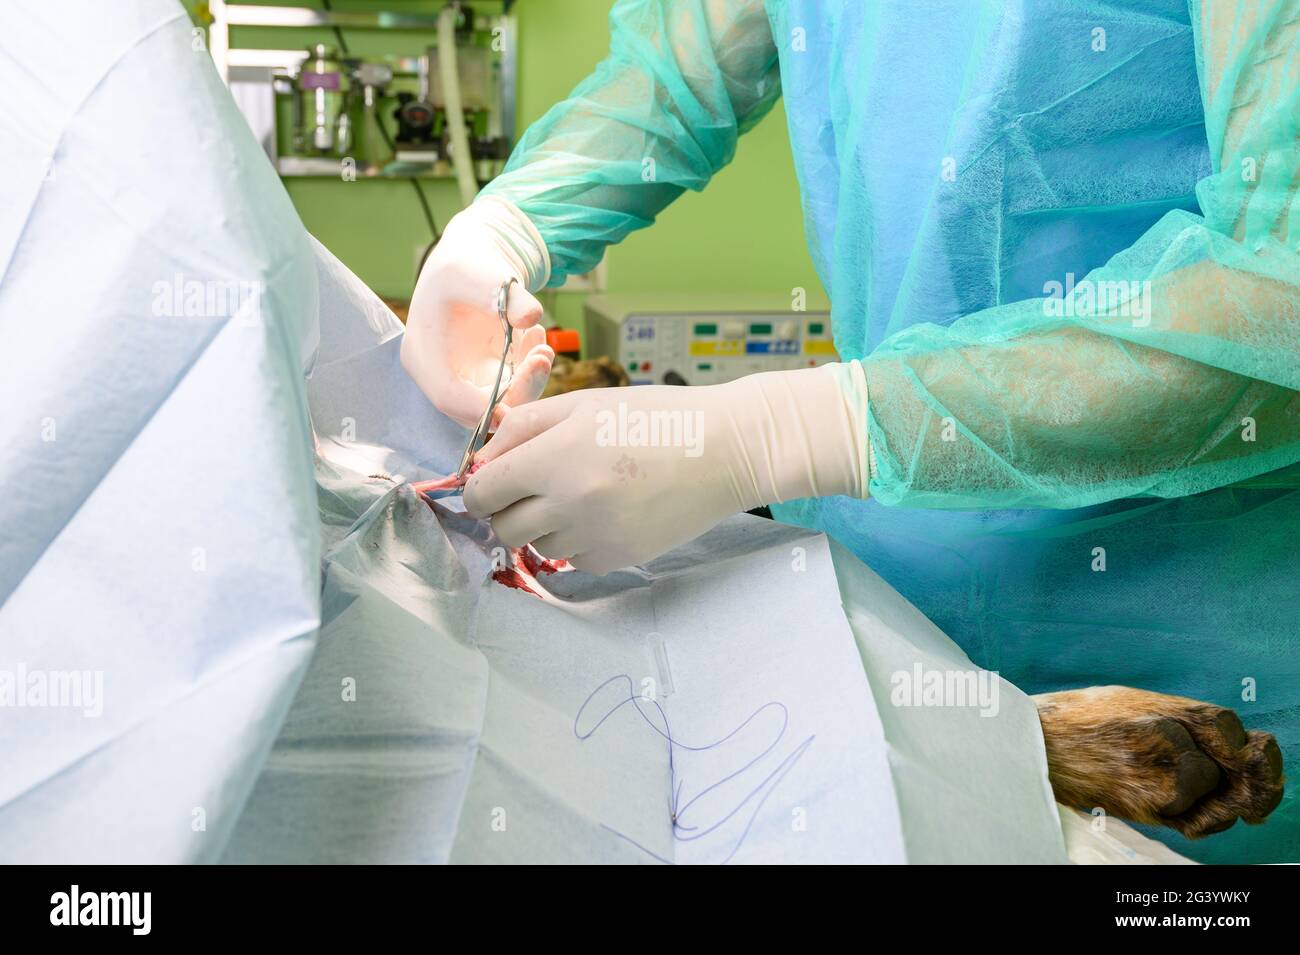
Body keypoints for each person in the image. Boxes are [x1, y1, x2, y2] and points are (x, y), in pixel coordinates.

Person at [401, 1, 1299, 860]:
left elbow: (1279, 290)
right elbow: (673, 77)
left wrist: (797, 430)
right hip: (887, 593)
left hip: (1190, 611)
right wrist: (510, 226)